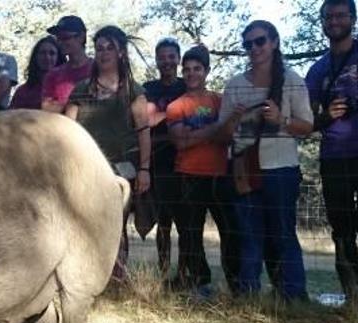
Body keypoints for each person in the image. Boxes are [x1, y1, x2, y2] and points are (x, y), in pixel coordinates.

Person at [219, 20, 314, 300]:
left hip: (281, 170)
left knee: (283, 235)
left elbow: (307, 127)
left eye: (260, 41)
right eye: (248, 44)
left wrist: (281, 120)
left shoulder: (294, 80)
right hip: (244, 171)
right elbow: (223, 135)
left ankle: (293, 298)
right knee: (248, 237)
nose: (254, 48)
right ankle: (247, 298)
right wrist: (234, 119)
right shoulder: (234, 85)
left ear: (274, 42)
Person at [65, 25, 151, 283]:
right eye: (99, 48)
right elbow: (67, 130)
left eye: (109, 48)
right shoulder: (81, 89)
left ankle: (116, 278)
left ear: (121, 53)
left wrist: (145, 169)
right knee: (82, 222)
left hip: (121, 170)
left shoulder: (134, 91)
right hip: (84, 170)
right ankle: (83, 278)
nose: (103, 53)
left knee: (116, 224)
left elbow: (144, 131)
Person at [166, 45, 241, 296]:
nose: (191, 74)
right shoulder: (176, 106)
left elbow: (229, 137)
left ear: (206, 71)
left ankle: (235, 282)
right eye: (186, 69)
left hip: (220, 175)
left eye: (197, 69)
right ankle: (200, 283)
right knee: (190, 233)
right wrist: (215, 130)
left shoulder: (220, 101)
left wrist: (198, 134)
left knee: (230, 232)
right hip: (188, 174)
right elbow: (180, 141)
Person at [306, 0, 358, 302]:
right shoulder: (317, 69)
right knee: (341, 228)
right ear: (323, 22)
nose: (334, 21)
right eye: (329, 17)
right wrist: (327, 116)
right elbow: (307, 121)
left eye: (340, 15)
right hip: (334, 156)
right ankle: (351, 296)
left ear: (352, 18)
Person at [143, 38, 187, 278]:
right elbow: (148, 120)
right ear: (157, 60)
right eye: (162, 57)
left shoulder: (187, 86)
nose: (167, 62)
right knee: (163, 223)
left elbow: (199, 113)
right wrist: (178, 113)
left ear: (178, 59)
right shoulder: (149, 88)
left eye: (171, 56)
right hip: (158, 162)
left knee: (185, 222)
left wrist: (165, 116)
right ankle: (162, 271)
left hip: (184, 161)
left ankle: (183, 273)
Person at [41, 15, 93, 113]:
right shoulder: (53, 75)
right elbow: (47, 109)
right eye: (58, 38)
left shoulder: (99, 68)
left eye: (65, 38)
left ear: (81, 37)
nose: (60, 42)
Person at [10, 36, 63, 110]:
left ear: (59, 58)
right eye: (42, 53)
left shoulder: (66, 89)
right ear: (35, 57)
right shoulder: (23, 92)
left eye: (52, 53)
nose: (47, 57)